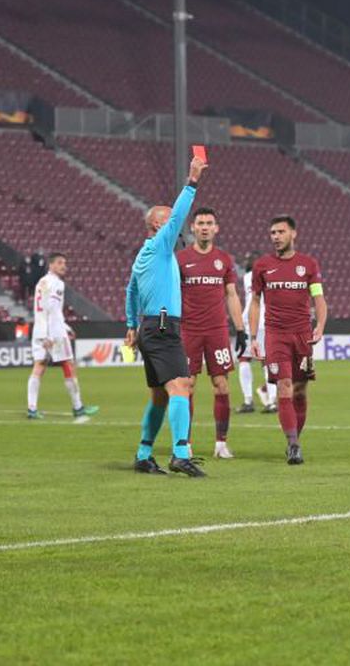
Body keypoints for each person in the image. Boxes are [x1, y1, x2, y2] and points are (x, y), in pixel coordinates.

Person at [125, 156, 208, 478]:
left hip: (149, 325)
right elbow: (178, 217)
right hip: (162, 324)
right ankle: (180, 453)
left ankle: (144, 454)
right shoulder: (160, 248)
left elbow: (130, 291)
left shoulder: (143, 256)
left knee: (160, 394)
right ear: (159, 226)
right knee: (181, 386)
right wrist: (192, 181)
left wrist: (132, 325)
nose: (177, 225)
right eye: (169, 221)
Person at [249, 216, 327, 465]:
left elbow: (318, 298)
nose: (276, 236)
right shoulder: (262, 266)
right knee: (284, 385)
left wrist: (321, 326)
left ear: (293, 233)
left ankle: (295, 438)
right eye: (272, 232)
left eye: (281, 231)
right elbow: (255, 301)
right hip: (275, 335)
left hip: (302, 334)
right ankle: (293, 445)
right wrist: (252, 337)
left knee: (300, 390)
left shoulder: (308, 265)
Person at [178, 207, 249, 459]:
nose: (205, 227)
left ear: (216, 228)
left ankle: (221, 443)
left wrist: (240, 329)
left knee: (221, 386)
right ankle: (183, 443)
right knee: (187, 385)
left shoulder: (224, 259)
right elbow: (171, 295)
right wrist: (166, 327)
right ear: (193, 228)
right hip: (188, 331)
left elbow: (231, 295)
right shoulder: (181, 259)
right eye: (201, 223)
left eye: (209, 223)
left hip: (217, 331)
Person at [26, 253, 98, 422]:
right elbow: (52, 308)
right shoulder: (57, 283)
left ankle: (32, 408)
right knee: (68, 365)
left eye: (64, 263)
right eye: (59, 263)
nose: (63, 266)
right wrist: (55, 333)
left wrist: (56, 330)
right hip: (54, 332)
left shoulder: (41, 282)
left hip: (39, 330)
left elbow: (43, 309)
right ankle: (78, 407)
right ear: (51, 265)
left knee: (39, 367)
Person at [235, 252, 277, 414]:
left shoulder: (247, 276)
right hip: (266, 320)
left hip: (249, 320)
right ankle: (271, 402)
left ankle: (248, 401)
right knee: (266, 362)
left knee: (245, 359)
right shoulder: (268, 275)